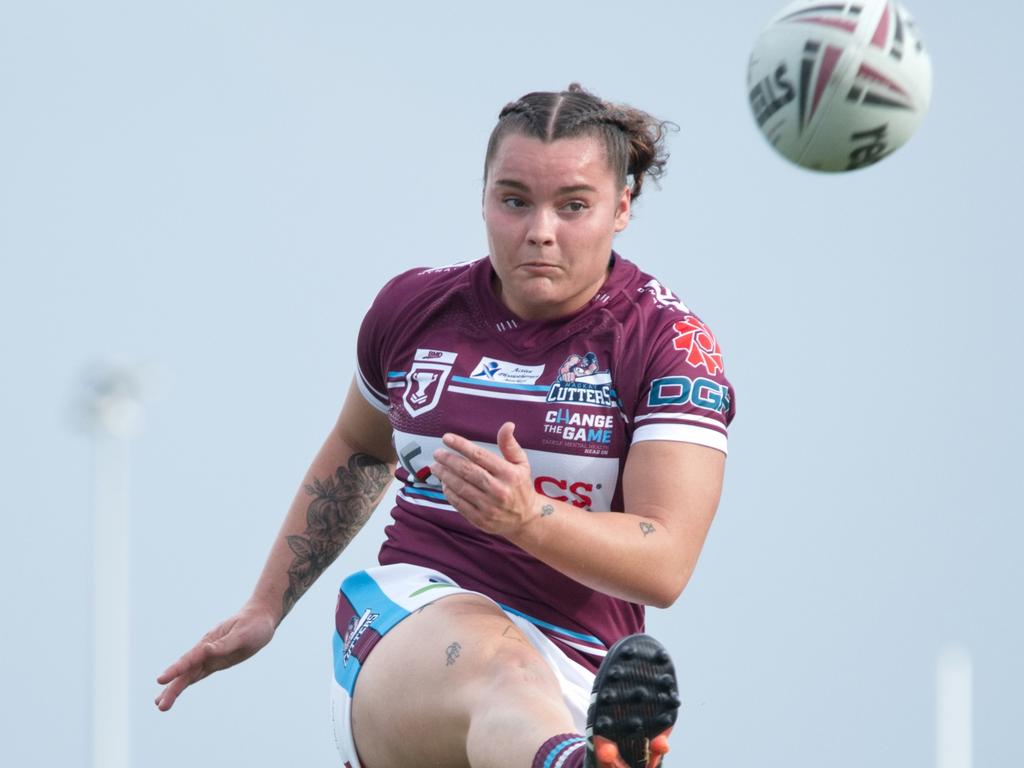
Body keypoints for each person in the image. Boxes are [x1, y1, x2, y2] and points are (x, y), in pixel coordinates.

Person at [155, 84, 735, 768]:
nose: (539, 230)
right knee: (501, 667)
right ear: (484, 196)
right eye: (514, 199)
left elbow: (665, 564)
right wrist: (264, 606)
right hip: (408, 625)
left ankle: (578, 755)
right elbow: (359, 448)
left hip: (575, 679)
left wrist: (528, 518)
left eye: (573, 206)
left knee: (524, 691)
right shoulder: (414, 309)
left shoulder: (670, 345)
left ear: (623, 208)